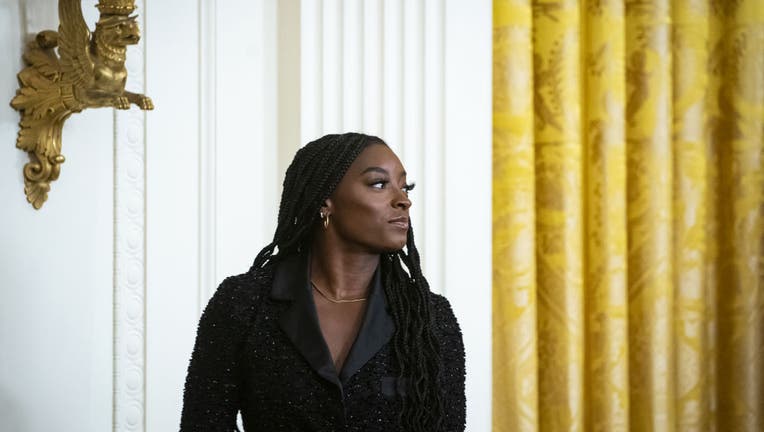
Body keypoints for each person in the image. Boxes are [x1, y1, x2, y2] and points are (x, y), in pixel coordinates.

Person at [180, 133, 465, 431]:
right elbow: (203, 423)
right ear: (325, 201)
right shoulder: (243, 303)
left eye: (405, 187)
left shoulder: (429, 317)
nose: (403, 200)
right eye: (379, 184)